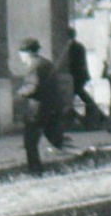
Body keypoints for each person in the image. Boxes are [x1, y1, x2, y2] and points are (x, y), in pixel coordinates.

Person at [15, 37, 70, 173]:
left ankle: (35, 171)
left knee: (30, 142)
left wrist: (20, 93)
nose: (20, 56)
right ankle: (77, 158)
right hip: (53, 107)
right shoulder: (46, 63)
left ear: (26, 52)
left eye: (21, 53)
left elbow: (32, 86)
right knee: (55, 139)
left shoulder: (33, 66)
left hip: (38, 110)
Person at [63, 27, 103, 130]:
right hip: (80, 75)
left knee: (77, 96)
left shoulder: (72, 47)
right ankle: (94, 115)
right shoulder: (78, 46)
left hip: (77, 76)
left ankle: (92, 115)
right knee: (80, 95)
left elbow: (72, 63)